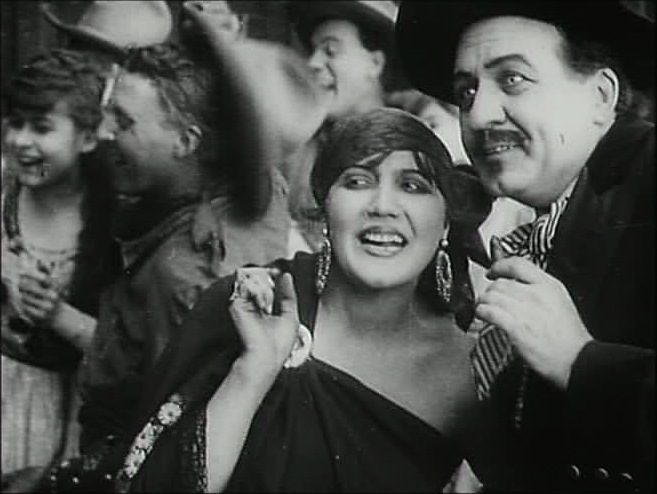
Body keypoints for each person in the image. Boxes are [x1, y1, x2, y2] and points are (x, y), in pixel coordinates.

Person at [61, 108, 529, 493]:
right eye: (357, 181)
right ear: (324, 209)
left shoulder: (472, 368)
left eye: (413, 185)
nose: (383, 206)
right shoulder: (250, 303)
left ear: (445, 222)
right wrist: (254, 369)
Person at [396, 2, 655, 491]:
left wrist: (579, 360)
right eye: (466, 91)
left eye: (512, 80)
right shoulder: (549, 226)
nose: (478, 114)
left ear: (601, 96)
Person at [1, 49, 120, 481]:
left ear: (87, 139)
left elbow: (126, 351)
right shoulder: (3, 194)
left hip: (65, 409)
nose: (20, 140)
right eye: (15, 123)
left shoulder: (111, 223)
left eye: (41, 128)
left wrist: (58, 316)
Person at [285, 1, 410, 253]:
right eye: (313, 51)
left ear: (375, 63)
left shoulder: (421, 146)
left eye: (330, 51)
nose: (313, 63)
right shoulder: (293, 152)